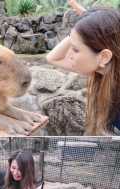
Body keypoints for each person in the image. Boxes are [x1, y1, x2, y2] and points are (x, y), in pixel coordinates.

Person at [46, 0, 120, 135]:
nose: (69, 55)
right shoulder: (103, 71)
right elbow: (52, 58)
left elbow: (54, 58)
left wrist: (84, 27)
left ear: (104, 57)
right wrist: (83, 25)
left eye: (75, 49)